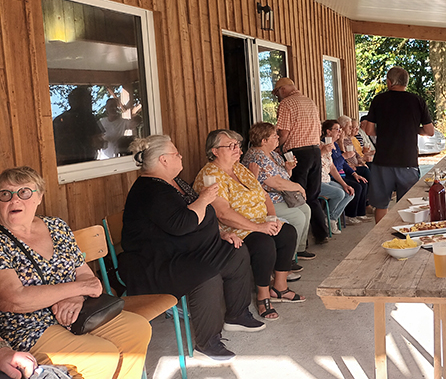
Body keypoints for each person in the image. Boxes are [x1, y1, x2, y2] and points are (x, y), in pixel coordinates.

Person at [120, 135, 262, 361]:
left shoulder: (176, 182)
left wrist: (221, 233)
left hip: (185, 251)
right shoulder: (149, 190)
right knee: (206, 275)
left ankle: (237, 315)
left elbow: (197, 219)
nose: (181, 156)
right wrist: (204, 199)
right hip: (156, 263)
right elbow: (182, 223)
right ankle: (207, 344)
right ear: (163, 160)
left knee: (235, 252)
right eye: (176, 153)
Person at [0, 166, 151, 378]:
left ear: (39, 197)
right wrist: (77, 289)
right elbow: (15, 299)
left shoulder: (56, 227)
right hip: (29, 328)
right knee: (101, 358)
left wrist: (77, 297)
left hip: (76, 312)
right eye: (5, 194)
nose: (14, 200)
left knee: (138, 328)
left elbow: (88, 277)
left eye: (24, 192)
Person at [194, 130, 304, 312]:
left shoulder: (240, 169)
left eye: (237, 145)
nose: (237, 149)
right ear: (214, 151)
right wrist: (259, 227)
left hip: (260, 221)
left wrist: (272, 219)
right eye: (230, 146)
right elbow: (223, 213)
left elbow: (265, 196)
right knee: (264, 243)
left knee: (287, 232)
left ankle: (280, 287)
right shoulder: (210, 176)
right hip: (233, 229)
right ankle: (263, 296)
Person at [363, 66, 434, 223]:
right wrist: (412, 130)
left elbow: (369, 130)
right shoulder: (417, 101)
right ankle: (406, 238)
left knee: (381, 205)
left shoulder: (379, 100)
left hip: (383, 161)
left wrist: (386, 132)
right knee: (409, 205)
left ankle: (379, 239)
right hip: (407, 161)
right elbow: (430, 131)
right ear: (406, 83)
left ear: (389, 82)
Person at [242, 123, 314, 260]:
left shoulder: (272, 154)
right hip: (267, 200)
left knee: (306, 209)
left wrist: (288, 169)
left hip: (281, 197)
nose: (278, 137)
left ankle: (299, 248)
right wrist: (298, 186)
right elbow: (276, 183)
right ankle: (289, 258)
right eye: (274, 135)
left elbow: (283, 178)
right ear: (264, 141)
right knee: (298, 217)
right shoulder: (257, 157)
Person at [274, 77, 330, 245]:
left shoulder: (286, 104)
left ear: (283, 90)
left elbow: (284, 132)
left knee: (297, 196)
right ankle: (321, 234)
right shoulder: (309, 101)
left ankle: (301, 243)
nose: (277, 97)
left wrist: (277, 147)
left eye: (277, 93)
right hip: (314, 151)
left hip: (298, 154)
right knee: (312, 196)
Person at [322, 121, 369, 225]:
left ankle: (359, 213)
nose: (340, 132)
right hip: (332, 176)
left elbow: (342, 164)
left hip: (341, 174)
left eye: (340, 129)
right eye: (337, 129)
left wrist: (354, 174)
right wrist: (344, 156)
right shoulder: (324, 145)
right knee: (355, 187)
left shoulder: (335, 144)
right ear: (328, 132)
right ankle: (348, 216)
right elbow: (333, 166)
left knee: (362, 182)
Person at [52, 86, 104, 165]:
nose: (91, 102)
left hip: (64, 166)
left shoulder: (59, 120)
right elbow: (97, 143)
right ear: (81, 100)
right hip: (86, 163)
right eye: (89, 99)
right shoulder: (88, 118)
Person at [319, 137, 355, 234]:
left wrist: (345, 185)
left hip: (327, 179)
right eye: (337, 129)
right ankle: (329, 219)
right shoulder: (312, 148)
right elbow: (313, 167)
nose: (339, 132)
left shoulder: (326, 145)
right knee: (339, 193)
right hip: (317, 182)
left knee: (349, 193)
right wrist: (322, 152)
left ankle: (331, 218)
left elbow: (332, 168)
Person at [337, 115, 371, 184]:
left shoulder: (349, 138)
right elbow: (344, 159)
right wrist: (341, 142)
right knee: (365, 171)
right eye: (350, 127)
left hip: (356, 164)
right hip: (349, 168)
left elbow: (356, 154)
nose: (351, 129)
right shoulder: (338, 141)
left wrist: (361, 163)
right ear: (342, 127)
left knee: (370, 166)